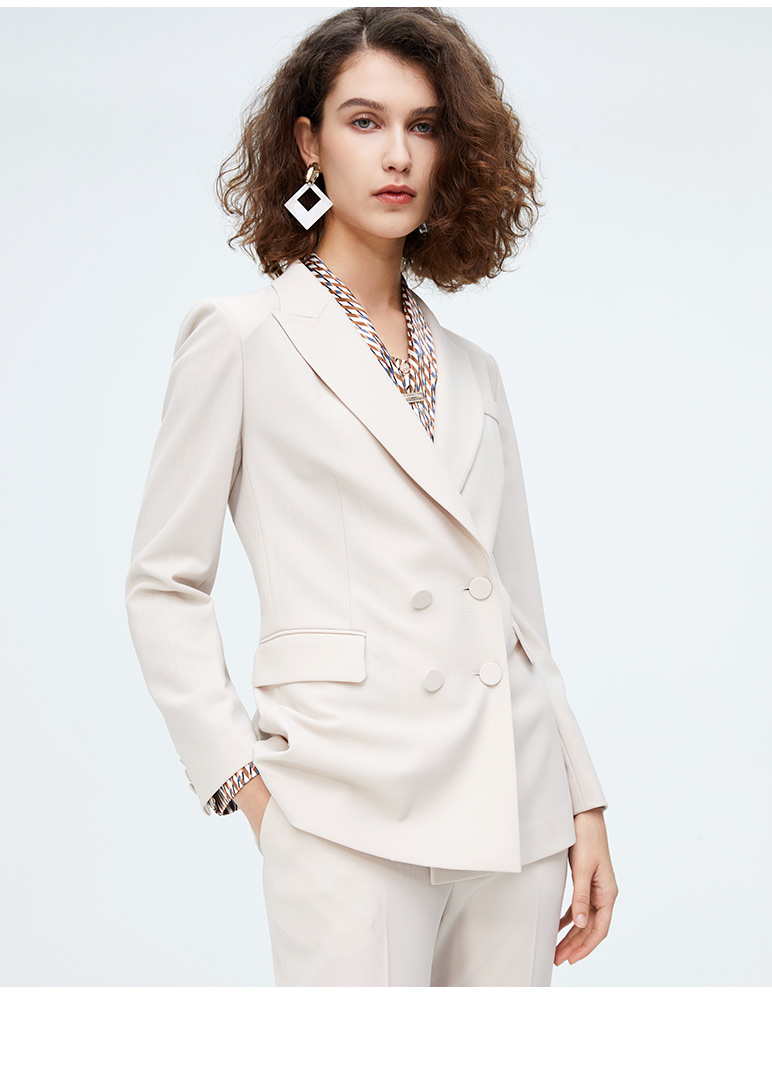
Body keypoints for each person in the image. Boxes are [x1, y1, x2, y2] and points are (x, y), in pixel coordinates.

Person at [125, 6, 618, 986]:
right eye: (364, 121)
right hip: (344, 802)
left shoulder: (474, 369)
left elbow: (519, 612)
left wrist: (581, 796)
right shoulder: (241, 336)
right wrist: (248, 786)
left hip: (514, 807)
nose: (397, 154)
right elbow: (162, 583)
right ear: (307, 142)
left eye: (423, 125)